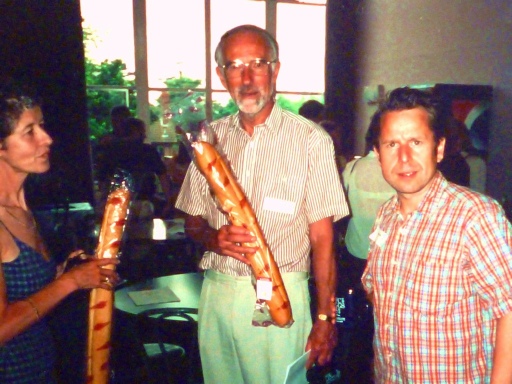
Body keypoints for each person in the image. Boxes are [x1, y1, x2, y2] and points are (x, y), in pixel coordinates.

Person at [175, 24, 348, 384]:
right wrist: (213, 239)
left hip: (283, 296)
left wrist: (324, 319)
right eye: (235, 65)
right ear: (222, 76)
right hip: (218, 294)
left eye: (258, 63)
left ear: (275, 69)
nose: (248, 77)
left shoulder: (311, 141)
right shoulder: (209, 140)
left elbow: (323, 239)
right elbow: (192, 224)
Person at [362, 87, 512, 383]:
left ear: (439, 148)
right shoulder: (386, 215)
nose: (404, 157)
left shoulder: (476, 217)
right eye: (392, 144)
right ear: (378, 154)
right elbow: (375, 289)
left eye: (416, 142)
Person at [0, 80, 120, 382]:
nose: (47, 139)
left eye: (42, 126)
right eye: (29, 132)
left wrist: (64, 275)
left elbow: (25, 295)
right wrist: (69, 282)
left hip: (40, 370)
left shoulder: (24, 209)